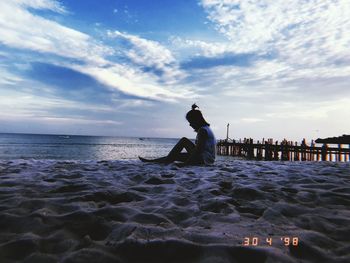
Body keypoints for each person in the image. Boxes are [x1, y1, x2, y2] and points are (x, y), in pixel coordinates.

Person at [139, 104, 216, 166]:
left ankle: (163, 161)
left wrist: (186, 164)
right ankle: (153, 161)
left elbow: (198, 151)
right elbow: (199, 149)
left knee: (184, 140)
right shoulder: (206, 128)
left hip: (204, 160)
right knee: (176, 156)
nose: (190, 124)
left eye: (191, 122)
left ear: (196, 120)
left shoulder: (202, 131)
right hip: (207, 159)